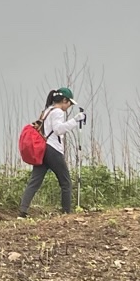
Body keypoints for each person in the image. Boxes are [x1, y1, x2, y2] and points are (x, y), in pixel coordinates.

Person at [19, 88, 85, 216]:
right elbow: (59, 130)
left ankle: (22, 211)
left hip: (42, 150)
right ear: (64, 100)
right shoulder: (58, 112)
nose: (69, 106)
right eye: (69, 103)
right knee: (65, 182)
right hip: (53, 150)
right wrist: (75, 120)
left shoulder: (47, 111)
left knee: (34, 181)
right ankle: (66, 212)